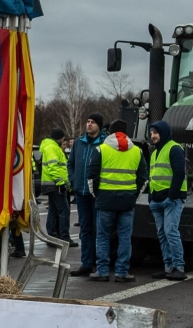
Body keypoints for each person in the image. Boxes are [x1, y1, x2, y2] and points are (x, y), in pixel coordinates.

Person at [89, 118, 148, 283]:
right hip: (127, 201)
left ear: (110, 132)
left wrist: (96, 195)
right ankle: (122, 272)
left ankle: (102, 271)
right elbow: (143, 178)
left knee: (102, 237)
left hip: (105, 200)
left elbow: (92, 176)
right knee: (125, 237)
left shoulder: (101, 150)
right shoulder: (137, 151)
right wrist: (134, 195)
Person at [147, 120, 188, 281]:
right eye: (151, 133)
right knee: (163, 234)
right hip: (157, 199)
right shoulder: (155, 152)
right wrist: (151, 197)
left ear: (163, 133)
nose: (153, 136)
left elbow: (179, 173)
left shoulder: (174, 148)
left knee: (171, 232)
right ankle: (168, 267)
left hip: (172, 200)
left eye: (155, 133)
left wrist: (171, 197)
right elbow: (153, 176)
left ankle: (179, 267)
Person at [68, 114, 107, 276]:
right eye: (88, 122)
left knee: (99, 230)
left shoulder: (105, 143)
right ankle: (86, 263)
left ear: (99, 126)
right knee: (85, 229)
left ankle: (100, 264)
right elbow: (71, 164)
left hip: (97, 194)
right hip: (81, 193)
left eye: (93, 122)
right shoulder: (79, 143)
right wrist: (73, 180)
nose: (89, 125)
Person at [37, 126, 71, 243]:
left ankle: (52, 235)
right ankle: (64, 237)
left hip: (51, 184)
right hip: (55, 184)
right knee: (64, 211)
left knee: (53, 210)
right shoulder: (52, 148)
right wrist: (61, 183)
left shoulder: (49, 146)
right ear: (61, 138)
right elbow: (53, 167)